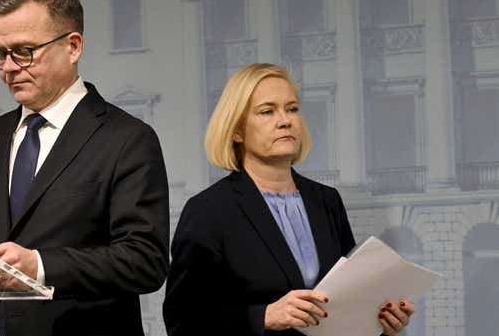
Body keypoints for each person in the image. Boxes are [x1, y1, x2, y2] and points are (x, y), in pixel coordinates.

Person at [0, 0, 169, 336]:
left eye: (24, 51)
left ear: (73, 47)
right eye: (0, 53)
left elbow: (143, 260)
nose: (8, 67)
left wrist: (39, 265)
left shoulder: (126, 138)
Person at [163, 63, 414, 336]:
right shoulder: (208, 210)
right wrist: (264, 316)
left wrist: (382, 322)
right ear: (236, 130)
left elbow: (348, 303)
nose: (285, 120)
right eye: (267, 111)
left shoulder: (326, 201)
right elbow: (182, 321)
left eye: (292, 108)